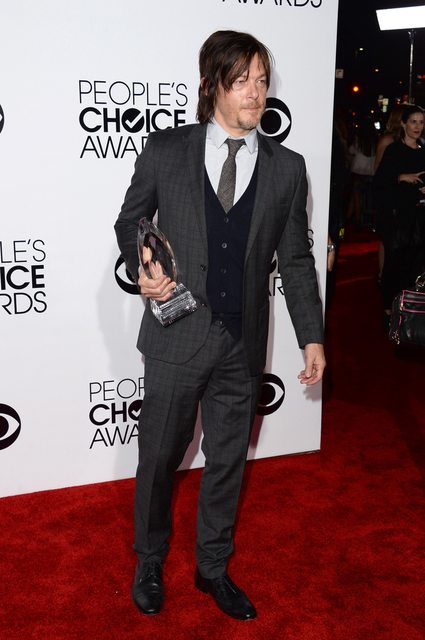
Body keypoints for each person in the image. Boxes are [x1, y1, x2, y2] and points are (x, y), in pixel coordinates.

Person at [114, 30, 325, 621]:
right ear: (212, 86)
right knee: (159, 458)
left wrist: (311, 335)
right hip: (177, 336)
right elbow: (130, 221)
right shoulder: (166, 149)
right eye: (242, 81)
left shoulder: (288, 168)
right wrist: (144, 264)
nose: (256, 92)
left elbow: (297, 260)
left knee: (229, 462)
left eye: (263, 81)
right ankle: (149, 560)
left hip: (241, 341)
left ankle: (212, 568)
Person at [374, 104, 425, 323]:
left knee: (415, 265)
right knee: (394, 264)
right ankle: (388, 309)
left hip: (419, 217)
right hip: (397, 218)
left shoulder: (423, 150)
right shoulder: (394, 150)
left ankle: (408, 308)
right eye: (413, 122)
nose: (418, 127)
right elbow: (379, 182)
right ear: (403, 124)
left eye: (421, 122)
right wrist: (401, 177)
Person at [374, 105, 404, 284]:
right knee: (387, 238)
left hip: (404, 197)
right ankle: (382, 275)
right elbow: (377, 169)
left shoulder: (413, 141)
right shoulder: (387, 140)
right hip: (388, 195)